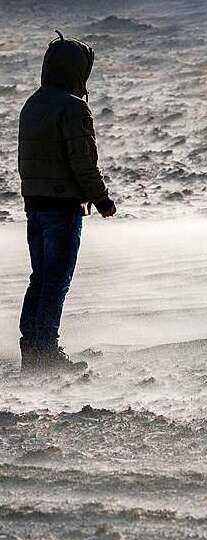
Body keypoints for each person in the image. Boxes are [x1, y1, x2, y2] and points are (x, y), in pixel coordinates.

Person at [17, 31, 116, 374]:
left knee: (40, 277)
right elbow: (83, 161)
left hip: (35, 204)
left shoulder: (31, 104)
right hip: (62, 207)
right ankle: (46, 352)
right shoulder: (74, 108)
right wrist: (101, 199)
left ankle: (31, 350)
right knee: (56, 279)